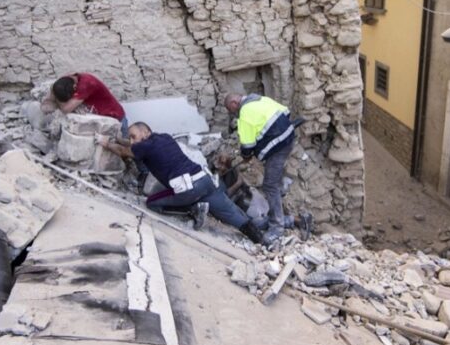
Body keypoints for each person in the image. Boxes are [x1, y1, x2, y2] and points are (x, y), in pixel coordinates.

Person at [96, 122, 282, 246]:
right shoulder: (164, 137)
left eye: (134, 136)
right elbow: (130, 145)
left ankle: (192, 209)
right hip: (206, 180)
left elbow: (124, 151)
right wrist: (122, 139)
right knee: (232, 214)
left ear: (146, 132)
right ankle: (262, 241)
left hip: (189, 188)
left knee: (152, 202)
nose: (132, 140)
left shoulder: (144, 146)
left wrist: (105, 143)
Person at [224, 93, 313, 238]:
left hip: (278, 147)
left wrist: (246, 157)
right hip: (288, 138)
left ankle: (277, 228)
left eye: (231, 110)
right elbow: (285, 112)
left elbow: (247, 146)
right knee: (274, 182)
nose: (233, 113)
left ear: (234, 103)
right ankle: (289, 215)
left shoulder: (245, 114)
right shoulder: (260, 99)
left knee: (269, 186)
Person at [41, 73, 128, 137]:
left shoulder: (86, 85)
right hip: (102, 120)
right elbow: (45, 106)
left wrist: (56, 97)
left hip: (116, 120)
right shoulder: (66, 81)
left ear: (75, 88)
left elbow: (66, 109)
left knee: (124, 154)